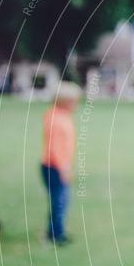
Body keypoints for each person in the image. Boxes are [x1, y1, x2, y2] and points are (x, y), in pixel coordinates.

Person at [40, 81, 81, 245]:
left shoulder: (56, 116)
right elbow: (55, 146)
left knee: (58, 199)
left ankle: (54, 230)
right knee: (60, 200)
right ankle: (56, 234)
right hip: (54, 166)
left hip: (53, 164)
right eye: (73, 101)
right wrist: (63, 167)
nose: (76, 104)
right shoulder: (56, 120)